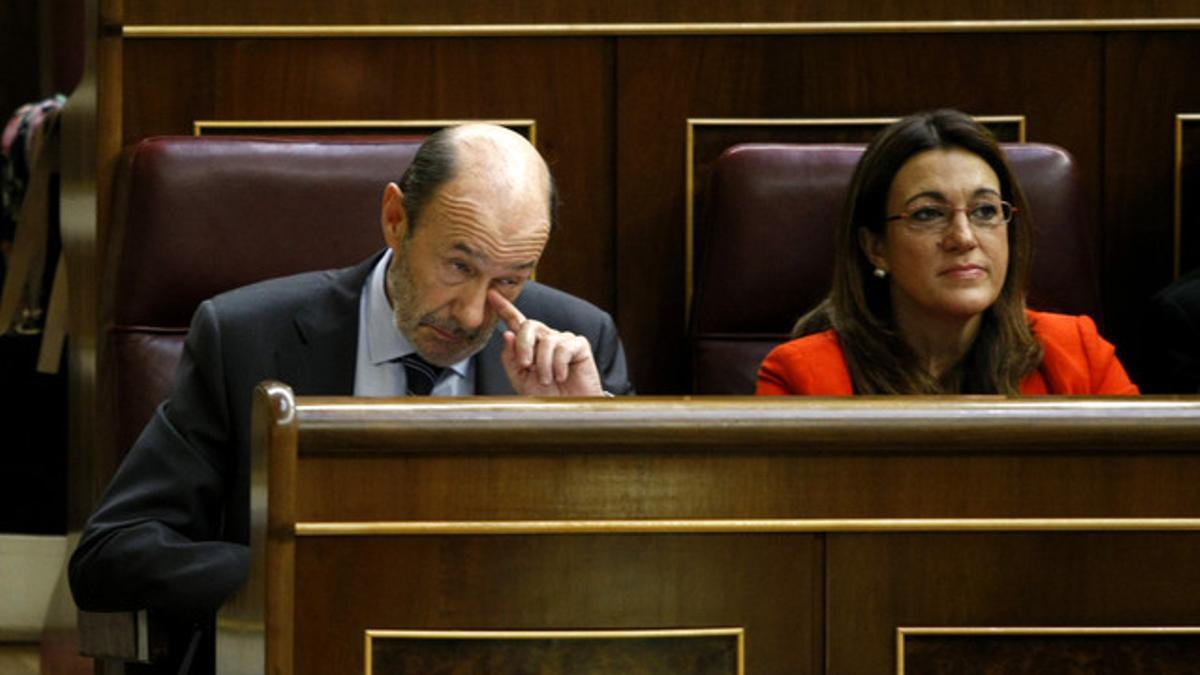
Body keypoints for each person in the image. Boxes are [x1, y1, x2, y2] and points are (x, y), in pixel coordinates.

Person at [70, 125, 633, 620]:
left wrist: (584, 429)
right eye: (458, 265)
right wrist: (316, 575)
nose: (470, 314)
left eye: (510, 280)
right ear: (395, 220)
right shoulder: (245, 337)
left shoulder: (576, 345)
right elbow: (113, 554)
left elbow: (635, 570)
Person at [757, 109, 1138, 396]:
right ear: (875, 248)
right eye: (928, 214)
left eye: (986, 211)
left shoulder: (1078, 354)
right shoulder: (802, 376)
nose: (963, 237)